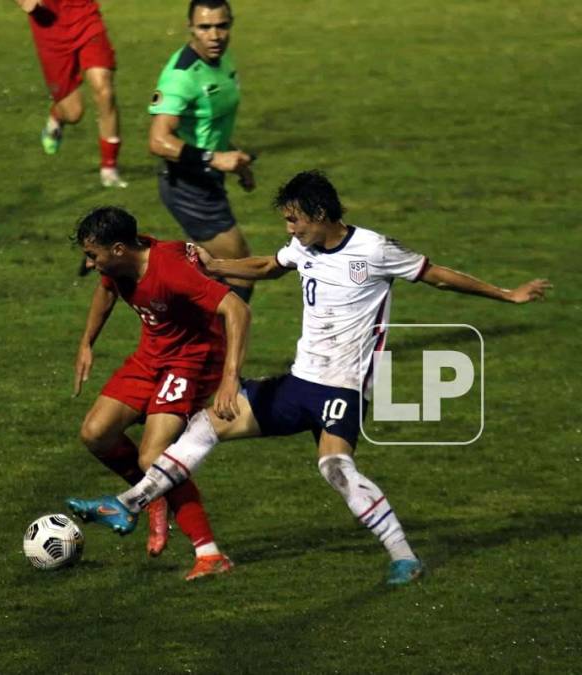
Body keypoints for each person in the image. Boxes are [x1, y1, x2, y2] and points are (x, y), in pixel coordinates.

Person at [68, 171, 552, 586]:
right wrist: (218, 266)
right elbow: (267, 266)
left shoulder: (375, 249)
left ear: (320, 214)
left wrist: (506, 294)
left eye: (293, 219)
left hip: (343, 388)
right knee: (205, 424)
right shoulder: (303, 247)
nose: (288, 228)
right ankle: (128, 504)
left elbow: (438, 275)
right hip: (300, 382)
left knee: (335, 469)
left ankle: (404, 556)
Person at [67, 206, 251, 580]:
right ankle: (152, 496)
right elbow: (106, 293)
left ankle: (209, 553)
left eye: (93, 255)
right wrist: (87, 342)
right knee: (95, 433)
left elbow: (237, 309)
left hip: (190, 359)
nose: (89, 264)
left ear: (118, 249)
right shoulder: (118, 267)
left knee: (153, 454)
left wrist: (231, 377)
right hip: (150, 355)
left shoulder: (170, 270)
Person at [147, 0, 255, 303]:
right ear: (190, 28)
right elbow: (158, 141)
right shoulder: (181, 76)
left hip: (208, 177)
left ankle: (186, 335)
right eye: (205, 27)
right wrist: (215, 158)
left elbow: (211, 127)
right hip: (187, 184)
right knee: (239, 267)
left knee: (210, 271)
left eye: (222, 26)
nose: (215, 35)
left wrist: (236, 161)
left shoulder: (222, 60)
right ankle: (221, 348)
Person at [13, 0, 127, 188]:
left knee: (103, 88)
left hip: (84, 14)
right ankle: (57, 115)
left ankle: (109, 168)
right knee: (73, 113)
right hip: (48, 23)